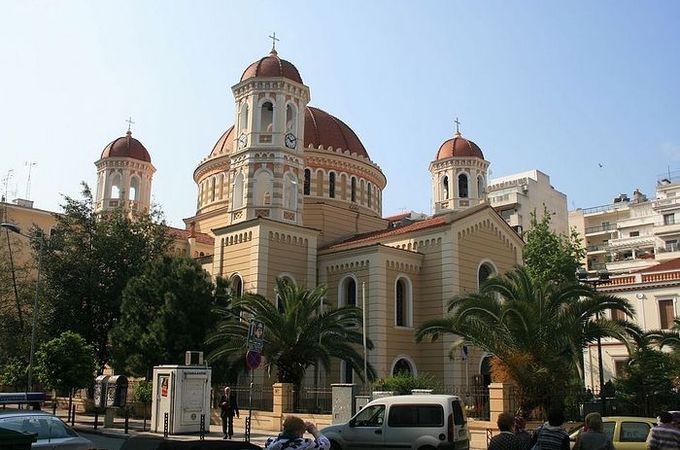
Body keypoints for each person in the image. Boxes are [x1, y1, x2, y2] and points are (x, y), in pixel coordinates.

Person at [265, 415, 330, 450]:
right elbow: (325, 445)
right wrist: (314, 431)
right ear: (298, 432)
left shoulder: (270, 442)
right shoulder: (304, 444)